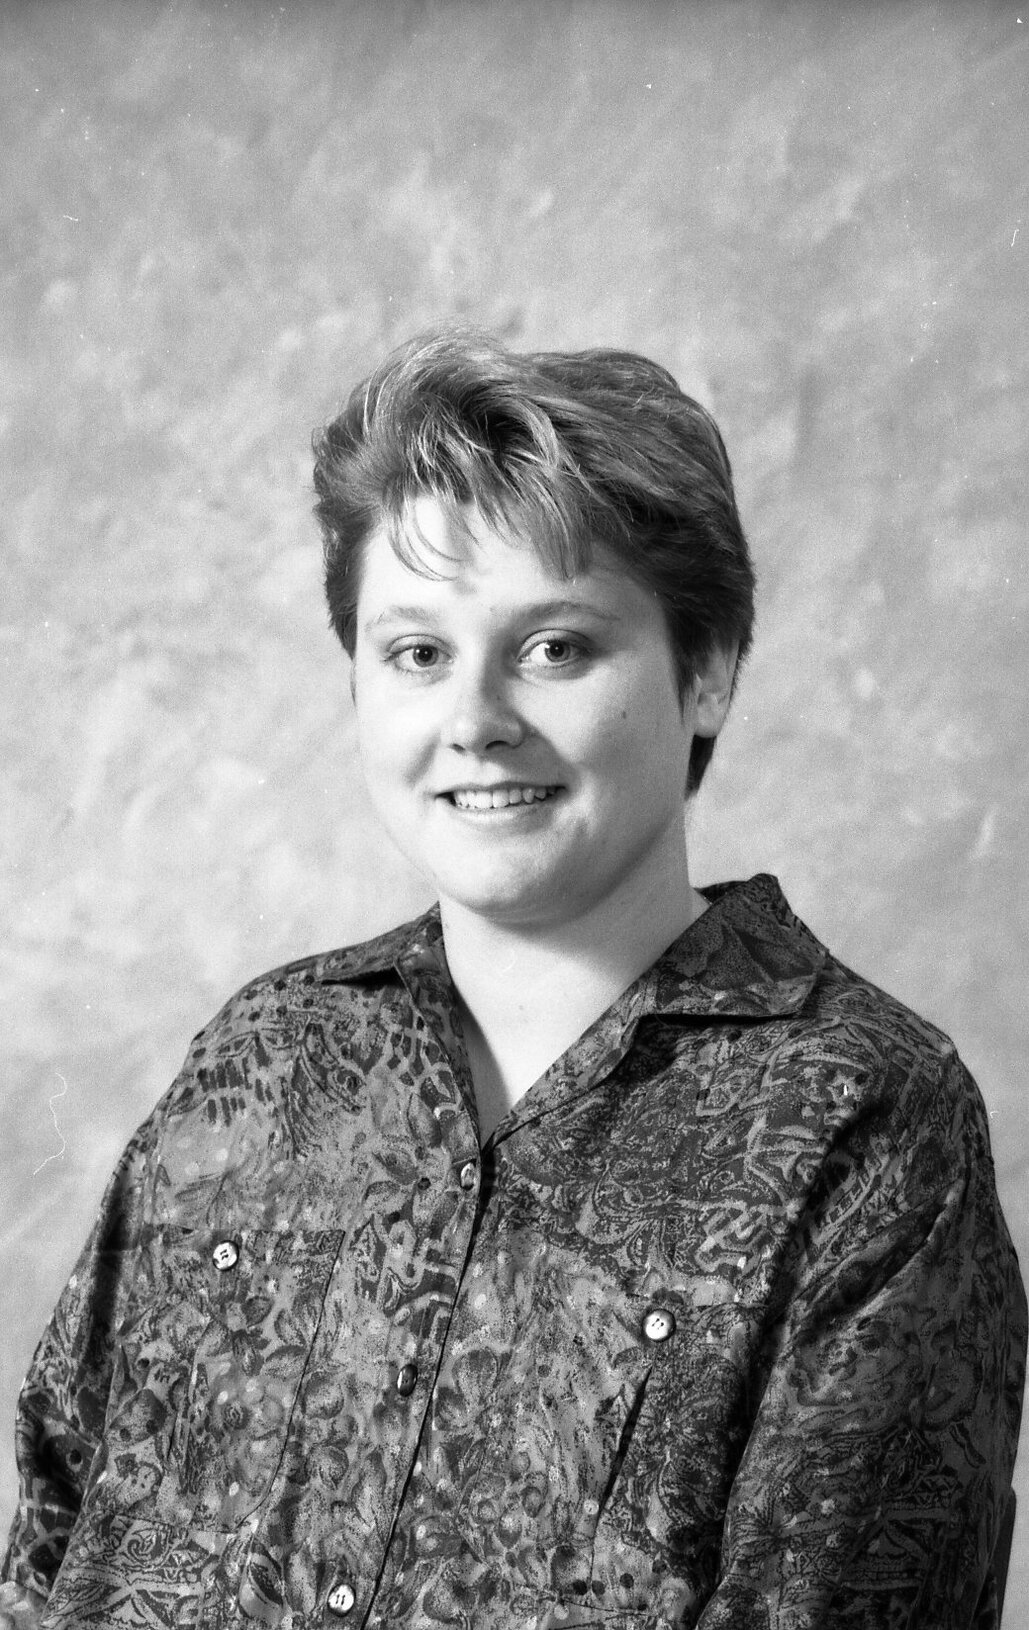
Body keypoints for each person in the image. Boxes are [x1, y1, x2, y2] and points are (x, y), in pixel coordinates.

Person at [1, 330, 1025, 1630]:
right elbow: (54, 1528)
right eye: (417, 653)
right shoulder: (261, 1062)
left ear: (707, 670)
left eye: (554, 647)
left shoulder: (863, 1124)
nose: (475, 720)